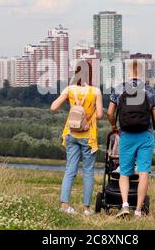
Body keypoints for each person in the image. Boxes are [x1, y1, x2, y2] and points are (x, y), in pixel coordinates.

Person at [107, 60, 155, 218]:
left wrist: (114, 126)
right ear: (141, 74)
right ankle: (138, 210)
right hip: (145, 134)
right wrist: (151, 123)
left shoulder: (119, 89)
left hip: (126, 134)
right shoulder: (149, 90)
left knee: (125, 171)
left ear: (128, 73)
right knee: (143, 172)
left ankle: (124, 205)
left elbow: (110, 113)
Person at [50, 60, 103, 215]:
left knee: (70, 169)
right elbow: (100, 115)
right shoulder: (95, 91)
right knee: (88, 171)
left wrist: (73, 109)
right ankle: (86, 208)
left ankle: (65, 205)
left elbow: (53, 107)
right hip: (88, 136)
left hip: (71, 133)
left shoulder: (70, 89)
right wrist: (89, 113)